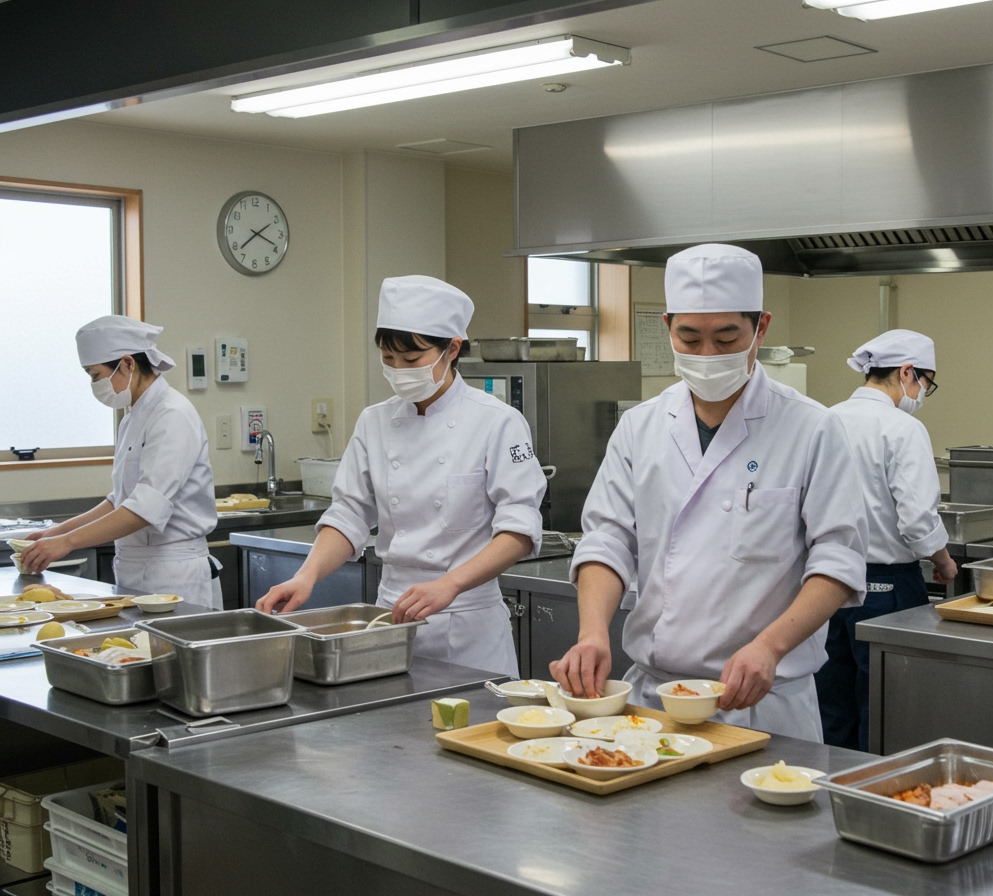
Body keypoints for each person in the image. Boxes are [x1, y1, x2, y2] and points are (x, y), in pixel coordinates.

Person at [550, 244, 868, 741]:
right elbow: (607, 540)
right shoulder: (641, 427)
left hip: (763, 704)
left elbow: (838, 561)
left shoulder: (812, 428)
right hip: (653, 700)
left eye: (726, 338)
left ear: (760, 328)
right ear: (668, 328)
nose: (707, 356)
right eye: (690, 338)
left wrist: (770, 646)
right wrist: (593, 633)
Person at [257, 276, 546, 677]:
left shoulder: (497, 422)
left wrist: (450, 585)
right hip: (390, 618)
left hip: (467, 624)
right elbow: (349, 515)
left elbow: (519, 530)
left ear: (453, 348)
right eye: (388, 360)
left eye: (411, 361)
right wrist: (306, 576)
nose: (398, 371)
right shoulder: (374, 421)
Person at [818, 329, 956, 751]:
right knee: (884, 710)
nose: (923, 393)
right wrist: (944, 560)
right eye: (926, 383)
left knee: (831, 705)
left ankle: (824, 798)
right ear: (907, 372)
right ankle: (874, 800)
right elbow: (917, 519)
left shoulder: (824, 418)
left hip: (822, 587)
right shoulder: (903, 428)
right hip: (886, 587)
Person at [21, 316, 220, 608]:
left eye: (95, 375)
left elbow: (145, 508)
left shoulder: (172, 414)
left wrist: (67, 543)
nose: (94, 384)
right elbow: (121, 500)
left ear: (128, 364)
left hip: (175, 573)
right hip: (137, 570)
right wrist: (56, 532)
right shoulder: (133, 417)